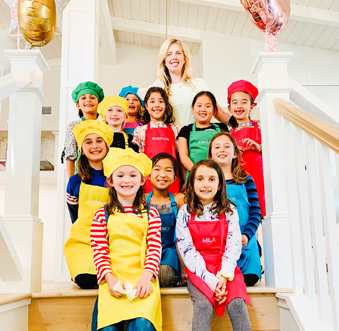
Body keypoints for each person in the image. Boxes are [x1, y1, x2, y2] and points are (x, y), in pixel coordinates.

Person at [90, 148, 162, 331]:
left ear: (142, 180)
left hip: (143, 280)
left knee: (143, 325)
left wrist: (147, 276)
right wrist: (109, 277)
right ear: (110, 181)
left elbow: (154, 247)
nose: (127, 180)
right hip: (113, 279)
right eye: (120, 175)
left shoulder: (151, 213)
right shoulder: (102, 215)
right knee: (107, 328)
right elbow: (99, 249)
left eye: (132, 175)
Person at [176, 159, 252, 331]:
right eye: (200, 179)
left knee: (237, 304)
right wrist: (211, 280)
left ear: (219, 185)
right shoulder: (185, 212)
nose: (205, 184)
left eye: (212, 179)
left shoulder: (230, 210)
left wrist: (223, 276)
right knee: (203, 305)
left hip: (226, 268)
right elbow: (187, 249)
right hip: (198, 270)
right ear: (192, 182)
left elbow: (234, 245)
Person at [64, 120, 113, 289]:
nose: (94, 146)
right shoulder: (75, 181)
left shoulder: (117, 177)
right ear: (82, 150)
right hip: (82, 241)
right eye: (88, 142)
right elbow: (74, 212)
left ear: (107, 146)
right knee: (86, 280)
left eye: (99, 141)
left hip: (111, 240)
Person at [208, 132, 262, 286]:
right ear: (211, 154)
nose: (222, 150)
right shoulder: (207, 181)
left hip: (244, 240)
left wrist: (246, 235)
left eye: (227, 146)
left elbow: (256, 213)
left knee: (249, 279)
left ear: (235, 154)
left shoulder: (246, 179)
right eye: (217, 147)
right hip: (217, 242)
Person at [152, 38, 231, 127]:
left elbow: (219, 112)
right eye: (169, 54)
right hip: (167, 139)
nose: (174, 57)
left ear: (184, 58)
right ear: (164, 61)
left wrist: (242, 124)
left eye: (178, 53)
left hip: (194, 138)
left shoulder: (199, 84)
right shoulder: (158, 86)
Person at [146, 153, 186, 287]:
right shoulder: (140, 200)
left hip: (170, 250)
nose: (162, 174)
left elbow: (182, 237)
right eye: (157, 169)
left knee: (164, 276)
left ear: (175, 178)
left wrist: (184, 269)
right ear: (148, 175)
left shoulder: (179, 200)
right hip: (147, 250)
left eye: (168, 170)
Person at [227, 80, 266, 218]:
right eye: (235, 102)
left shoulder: (261, 126)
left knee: (261, 214)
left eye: (244, 102)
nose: (239, 106)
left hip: (261, 179)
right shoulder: (228, 132)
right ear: (229, 108)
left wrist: (259, 147)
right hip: (238, 180)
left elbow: (277, 151)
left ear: (251, 107)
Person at [132, 87, 181, 193]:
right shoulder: (140, 131)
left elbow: (180, 158)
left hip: (171, 182)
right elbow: (136, 160)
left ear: (166, 105)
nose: (157, 105)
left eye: (161, 101)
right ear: (146, 105)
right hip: (147, 183)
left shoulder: (175, 130)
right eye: (152, 101)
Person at [178, 91, 228, 180]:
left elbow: (228, 150)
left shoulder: (222, 128)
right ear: (193, 109)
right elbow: (183, 156)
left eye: (208, 106)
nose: (203, 109)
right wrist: (197, 172)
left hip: (219, 176)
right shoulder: (185, 130)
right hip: (194, 176)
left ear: (214, 110)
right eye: (199, 105)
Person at [62, 81, 105, 178]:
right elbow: (70, 156)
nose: (88, 100)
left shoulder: (105, 126)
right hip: (80, 175)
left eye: (92, 97)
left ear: (99, 103)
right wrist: (72, 181)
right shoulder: (73, 126)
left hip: (103, 175)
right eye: (83, 98)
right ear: (78, 105)